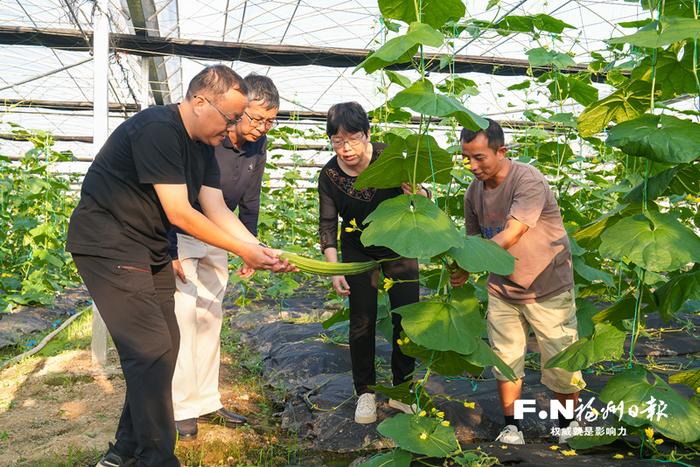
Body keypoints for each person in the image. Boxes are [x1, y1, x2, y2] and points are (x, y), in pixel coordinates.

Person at [66, 65, 288, 467]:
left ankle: (124, 451)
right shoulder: (158, 129)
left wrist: (258, 248)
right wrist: (243, 252)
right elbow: (180, 212)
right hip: (110, 244)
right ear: (200, 101)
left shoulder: (203, 145)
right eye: (231, 117)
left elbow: (215, 205)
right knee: (149, 350)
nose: (235, 127)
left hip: (147, 246)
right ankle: (157, 458)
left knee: (165, 346)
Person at [450, 119, 584, 445]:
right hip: (503, 287)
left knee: (560, 360)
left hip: (546, 285)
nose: (472, 165)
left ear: (502, 151)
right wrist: (463, 266)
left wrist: (472, 259)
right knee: (506, 359)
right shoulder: (473, 193)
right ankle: (513, 427)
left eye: (479, 157)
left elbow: (513, 232)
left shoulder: (528, 180)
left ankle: (568, 424)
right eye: (466, 158)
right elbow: (473, 240)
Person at [168, 73, 279, 439]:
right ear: (238, 110)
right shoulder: (207, 137)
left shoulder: (255, 147)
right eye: (257, 118)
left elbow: (250, 199)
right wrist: (168, 247)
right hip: (185, 233)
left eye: (270, 122)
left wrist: (251, 245)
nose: (262, 128)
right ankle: (182, 407)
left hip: (222, 236)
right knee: (184, 317)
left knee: (210, 316)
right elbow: (175, 200)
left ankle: (206, 400)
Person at [318, 102, 429, 424]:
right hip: (358, 249)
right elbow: (327, 224)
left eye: (352, 138)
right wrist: (334, 267)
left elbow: (423, 201)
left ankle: (402, 390)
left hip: (398, 243)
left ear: (367, 134)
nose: (346, 148)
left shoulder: (390, 158)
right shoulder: (330, 174)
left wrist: (419, 192)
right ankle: (365, 392)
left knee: (405, 318)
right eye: (337, 141)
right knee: (361, 321)